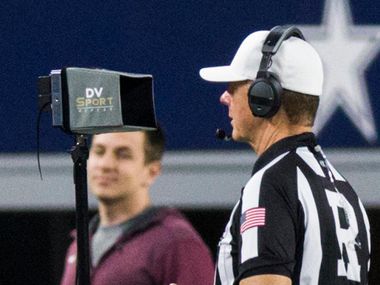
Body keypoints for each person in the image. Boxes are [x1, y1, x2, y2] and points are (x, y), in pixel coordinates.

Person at [198, 25, 371, 285]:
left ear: (264, 97)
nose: (225, 96)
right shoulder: (347, 194)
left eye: (235, 86)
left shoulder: (271, 185)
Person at [60, 126, 215, 285]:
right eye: (99, 151)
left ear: (152, 172)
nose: (106, 165)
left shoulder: (177, 243)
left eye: (123, 155)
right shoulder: (79, 244)